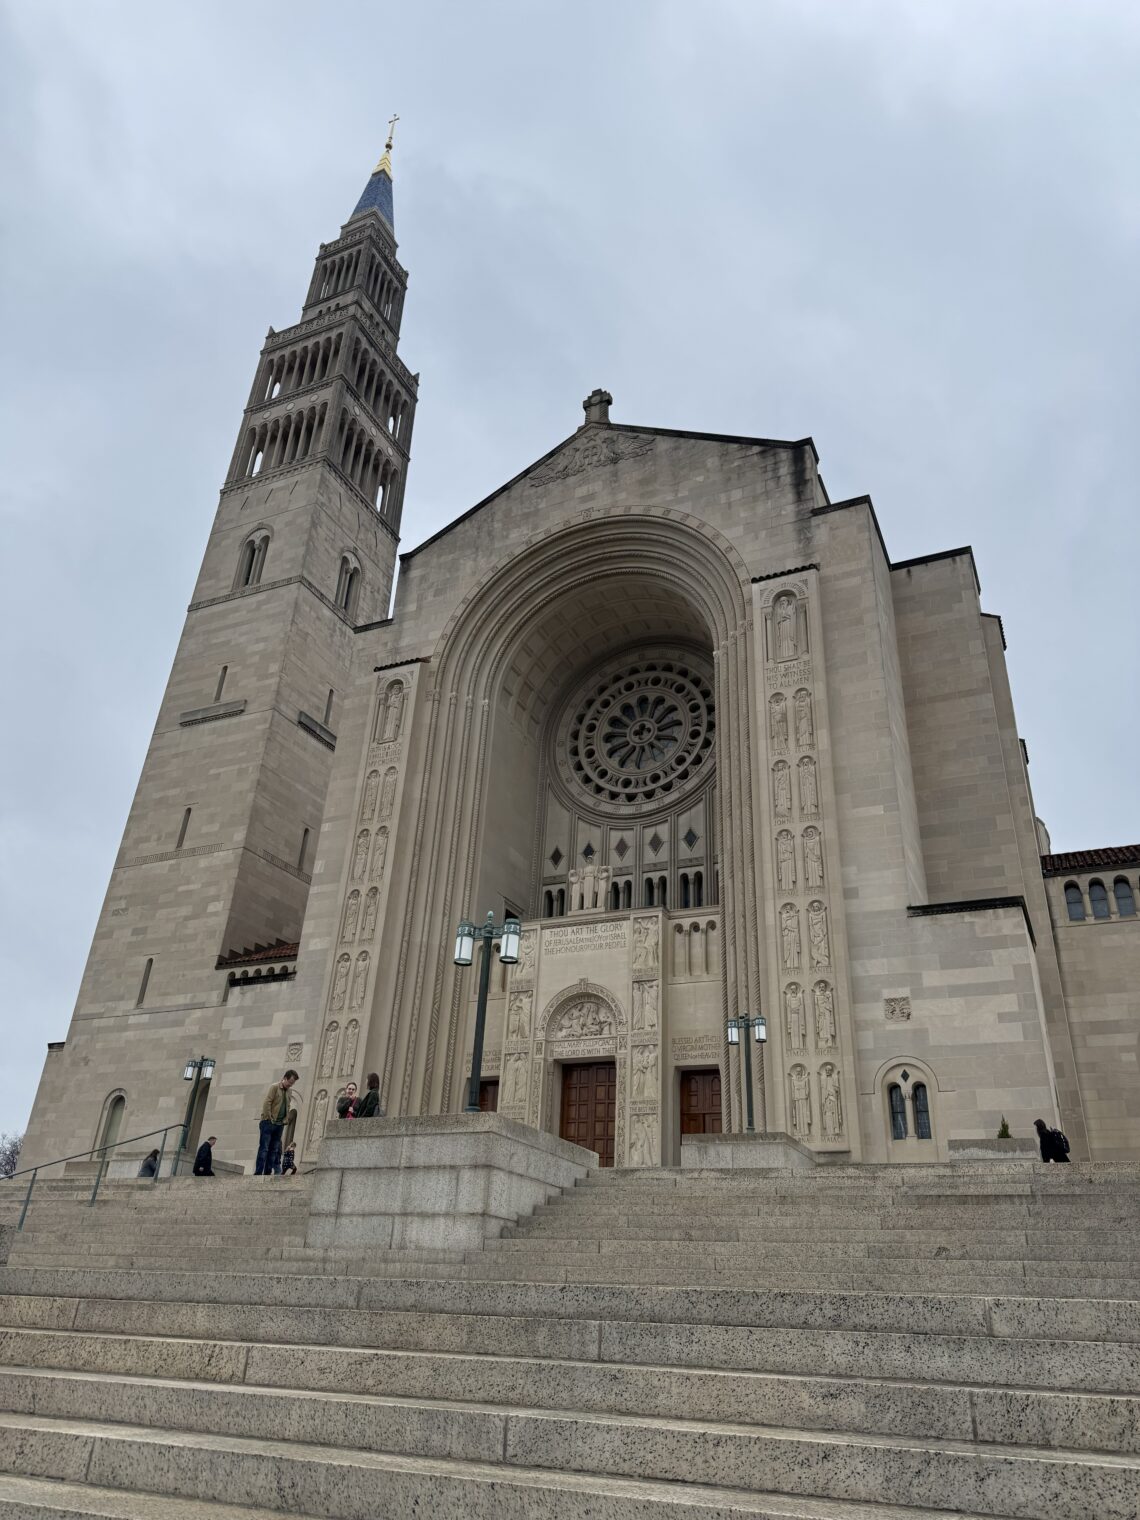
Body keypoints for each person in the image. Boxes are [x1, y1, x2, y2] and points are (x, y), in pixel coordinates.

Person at [255, 1070, 298, 1176]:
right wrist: (269, 1118)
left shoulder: (289, 1091)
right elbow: (267, 1102)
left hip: (279, 1125)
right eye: (290, 1082)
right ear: (285, 1078)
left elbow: (287, 1106)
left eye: (292, 1083)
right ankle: (258, 1172)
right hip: (269, 1122)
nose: (290, 1085)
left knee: (273, 1150)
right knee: (264, 1148)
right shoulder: (274, 1087)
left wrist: (285, 1119)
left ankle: (268, 1172)